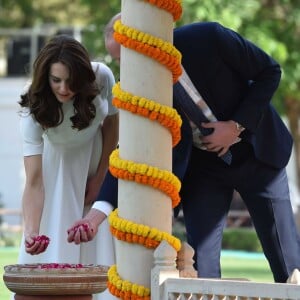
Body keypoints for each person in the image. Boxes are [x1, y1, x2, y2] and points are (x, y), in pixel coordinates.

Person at [72, 14, 300, 283]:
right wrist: (96, 216)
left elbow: (269, 71)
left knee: (287, 261)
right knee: (200, 264)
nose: (126, 66)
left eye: (126, 56)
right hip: (202, 170)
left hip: (257, 154)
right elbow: (127, 153)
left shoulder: (208, 38)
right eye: (119, 60)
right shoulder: (138, 88)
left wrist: (236, 126)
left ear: (147, 42)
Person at [17, 34, 119, 299]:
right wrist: (31, 230)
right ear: (45, 76)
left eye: (71, 81)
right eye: (56, 80)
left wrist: (101, 177)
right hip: (57, 172)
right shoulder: (33, 110)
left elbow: (111, 124)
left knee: (97, 234)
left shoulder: (103, 76)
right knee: (60, 239)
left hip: (96, 160)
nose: (64, 88)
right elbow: (34, 181)